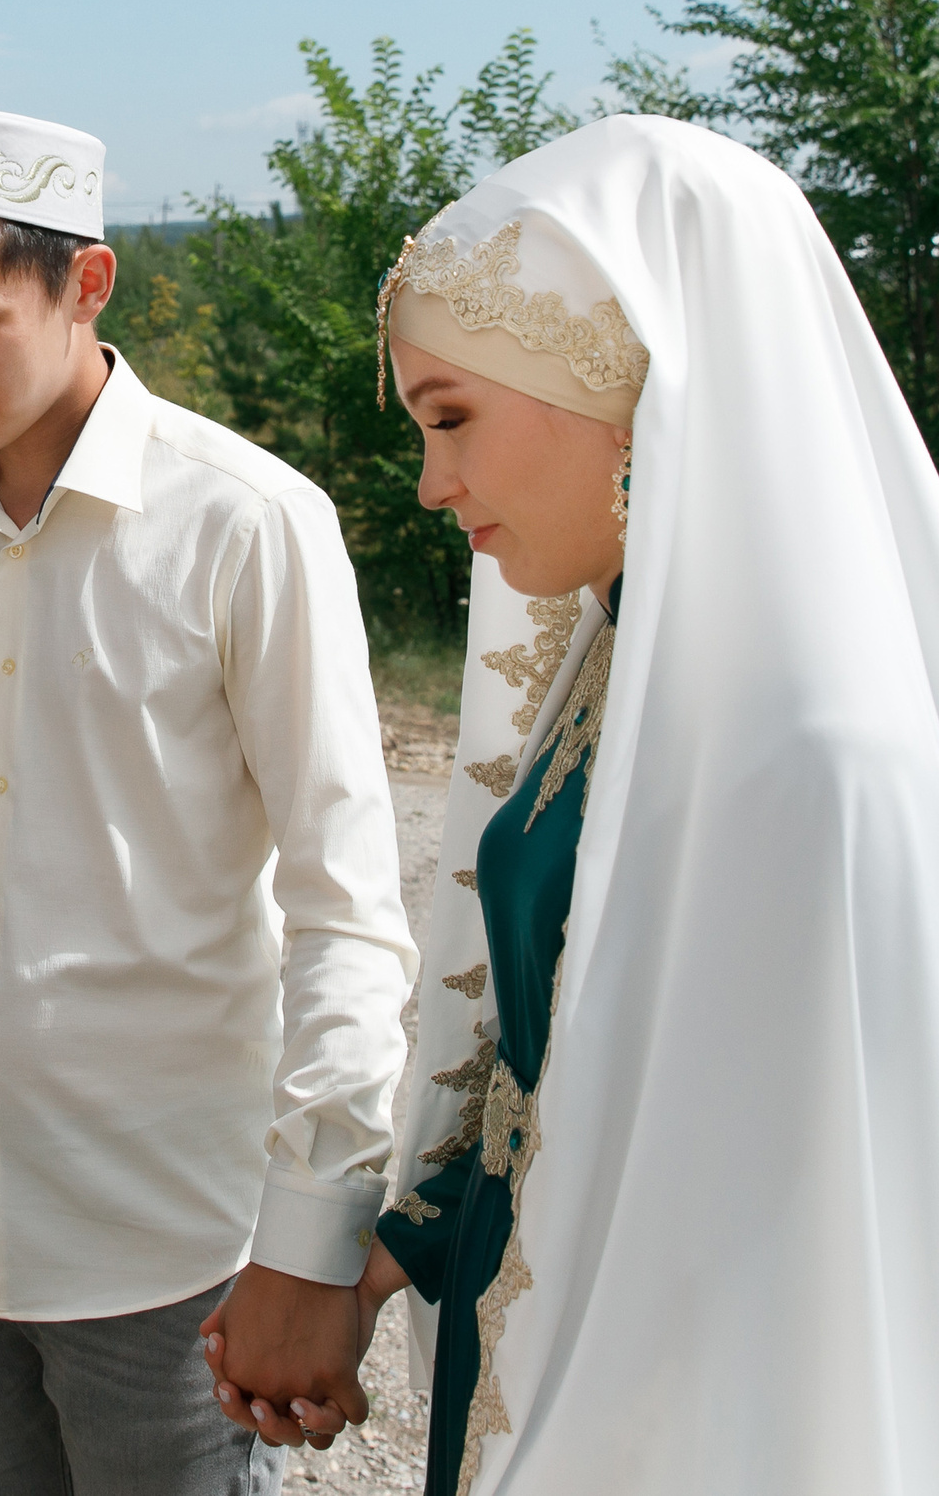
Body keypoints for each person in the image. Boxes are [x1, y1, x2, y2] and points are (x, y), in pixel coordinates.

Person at [210, 114, 939, 1494]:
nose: (434, 484)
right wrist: (372, 1259)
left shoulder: (820, 762)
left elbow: (786, 1248)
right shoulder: (628, 670)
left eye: (453, 417)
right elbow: (555, 1066)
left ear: (632, 388)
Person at [0, 103, 418, 1495]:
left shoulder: (248, 526)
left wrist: (309, 1234)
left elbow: (345, 904)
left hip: (168, 1238)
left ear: (86, 283)